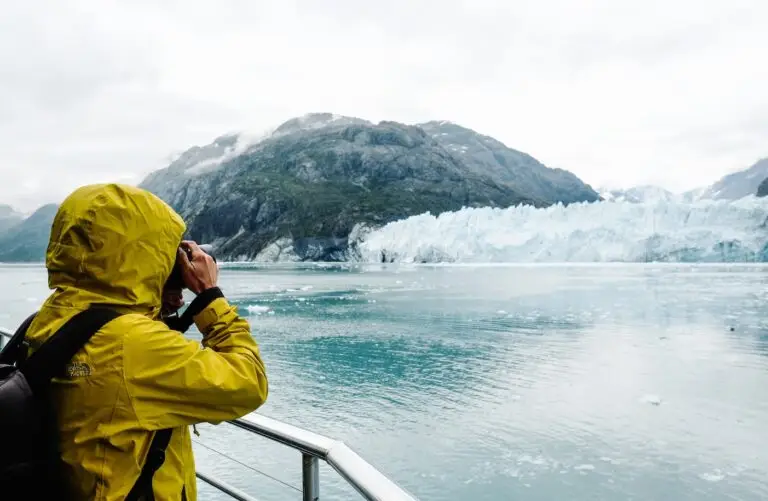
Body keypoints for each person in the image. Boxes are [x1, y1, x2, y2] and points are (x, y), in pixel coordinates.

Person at [22, 183, 268, 501]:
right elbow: (249, 383)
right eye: (163, 254)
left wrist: (151, 304)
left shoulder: (47, 320)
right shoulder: (134, 346)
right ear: (140, 256)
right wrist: (209, 295)